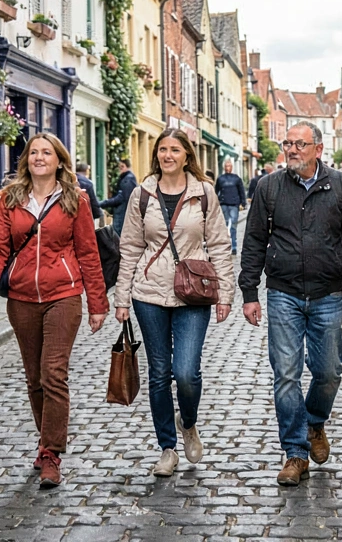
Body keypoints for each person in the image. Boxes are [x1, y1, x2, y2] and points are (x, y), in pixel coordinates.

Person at [241, 121, 342, 487]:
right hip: (282, 292)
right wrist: (249, 291)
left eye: (300, 144)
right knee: (285, 374)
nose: (292, 149)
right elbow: (253, 241)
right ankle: (295, 453)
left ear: (318, 149)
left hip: (327, 293)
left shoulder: (340, 186)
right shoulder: (269, 187)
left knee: (329, 370)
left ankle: (315, 420)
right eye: (288, 143)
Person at [0, 133, 108, 489]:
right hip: (21, 298)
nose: (38, 157)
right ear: (26, 160)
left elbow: (89, 253)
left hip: (64, 294)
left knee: (53, 374)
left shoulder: (74, 199)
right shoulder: (9, 199)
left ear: (59, 160)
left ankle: (51, 454)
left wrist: (97, 303)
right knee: (34, 378)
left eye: (46, 152)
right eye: (33, 152)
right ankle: (44, 439)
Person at [114, 130, 236, 477]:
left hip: (192, 293)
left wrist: (225, 294)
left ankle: (189, 421)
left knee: (186, 372)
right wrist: (122, 297)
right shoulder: (142, 194)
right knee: (159, 374)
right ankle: (167, 448)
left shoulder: (204, 193)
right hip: (148, 293)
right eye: (163, 150)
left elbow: (220, 245)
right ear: (157, 155)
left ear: (187, 156)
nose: (168, 155)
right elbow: (130, 248)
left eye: (175, 150)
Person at [214, 159, 246, 255]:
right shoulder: (220, 179)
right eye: (226, 166)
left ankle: (234, 246)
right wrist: (215, 203)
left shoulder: (236, 178)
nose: (228, 167)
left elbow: (241, 191)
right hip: (224, 203)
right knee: (224, 226)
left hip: (234, 204)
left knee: (233, 226)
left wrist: (243, 202)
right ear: (224, 167)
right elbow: (216, 191)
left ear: (231, 167)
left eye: (229, 166)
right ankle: (226, 246)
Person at [99, 159, 139, 235]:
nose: (120, 169)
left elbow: (121, 198)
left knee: (118, 238)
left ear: (127, 166)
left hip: (122, 214)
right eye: (119, 167)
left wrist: (103, 203)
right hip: (123, 214)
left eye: (122, 166)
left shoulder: (127, 179)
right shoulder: (127, 178)